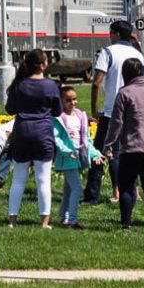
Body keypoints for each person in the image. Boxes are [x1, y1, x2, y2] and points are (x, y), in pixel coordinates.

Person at [84, 20, 144, 205]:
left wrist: (95, 109)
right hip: (135, 111)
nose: (109, 37)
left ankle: (93, 194)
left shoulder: (108, 52)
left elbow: (97, 82)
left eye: (110, 33)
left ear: (117, 34)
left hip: (111, 111)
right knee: (129, 153)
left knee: (99, 152)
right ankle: (131, 191)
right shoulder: (138, 55)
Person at [104, 57, 144, 232]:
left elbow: (116, 123)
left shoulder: (124, 93)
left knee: (126, 187)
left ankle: (126, 224)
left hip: (131, 148)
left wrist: (109, 143)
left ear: (125, 73)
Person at [5, 49, 62, 229]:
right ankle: (44, 221)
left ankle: (12, 220)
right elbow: (58, 111)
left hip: (22, 132)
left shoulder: (19, 84)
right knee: (43, 179)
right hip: (43, 133)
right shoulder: (51, 86)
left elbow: (10, 109)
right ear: (44, 64)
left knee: (18, 178)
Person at [53, 86, 103, 229]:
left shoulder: (80, 116)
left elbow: (86, 140)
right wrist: (66, 150)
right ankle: (72, 220)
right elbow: (56, 138)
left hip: (78, 156)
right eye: (68, 100)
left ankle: (64, 217)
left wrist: (95, 154)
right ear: (61, 101)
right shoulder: (59, 118)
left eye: (74, 99)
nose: (72, 103)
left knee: (69, 188)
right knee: (77, 187)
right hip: (67, 158)